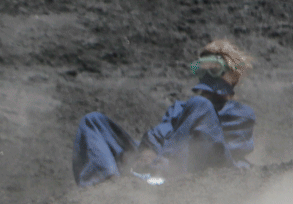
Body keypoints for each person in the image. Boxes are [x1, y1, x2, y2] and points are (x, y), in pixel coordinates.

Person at [73, 40, 256, 187]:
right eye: (200, 70)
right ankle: (104, 185)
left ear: (231, 74)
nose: (206, 76)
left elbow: (223, 152)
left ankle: (165, 171)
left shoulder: (240, 113)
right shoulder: (181, 108)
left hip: (200, 167)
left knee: (199, 104)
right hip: (159, 163)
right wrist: (148, 151)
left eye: (214, 70)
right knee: (93, 121)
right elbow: (157, 134)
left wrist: (167, 156)